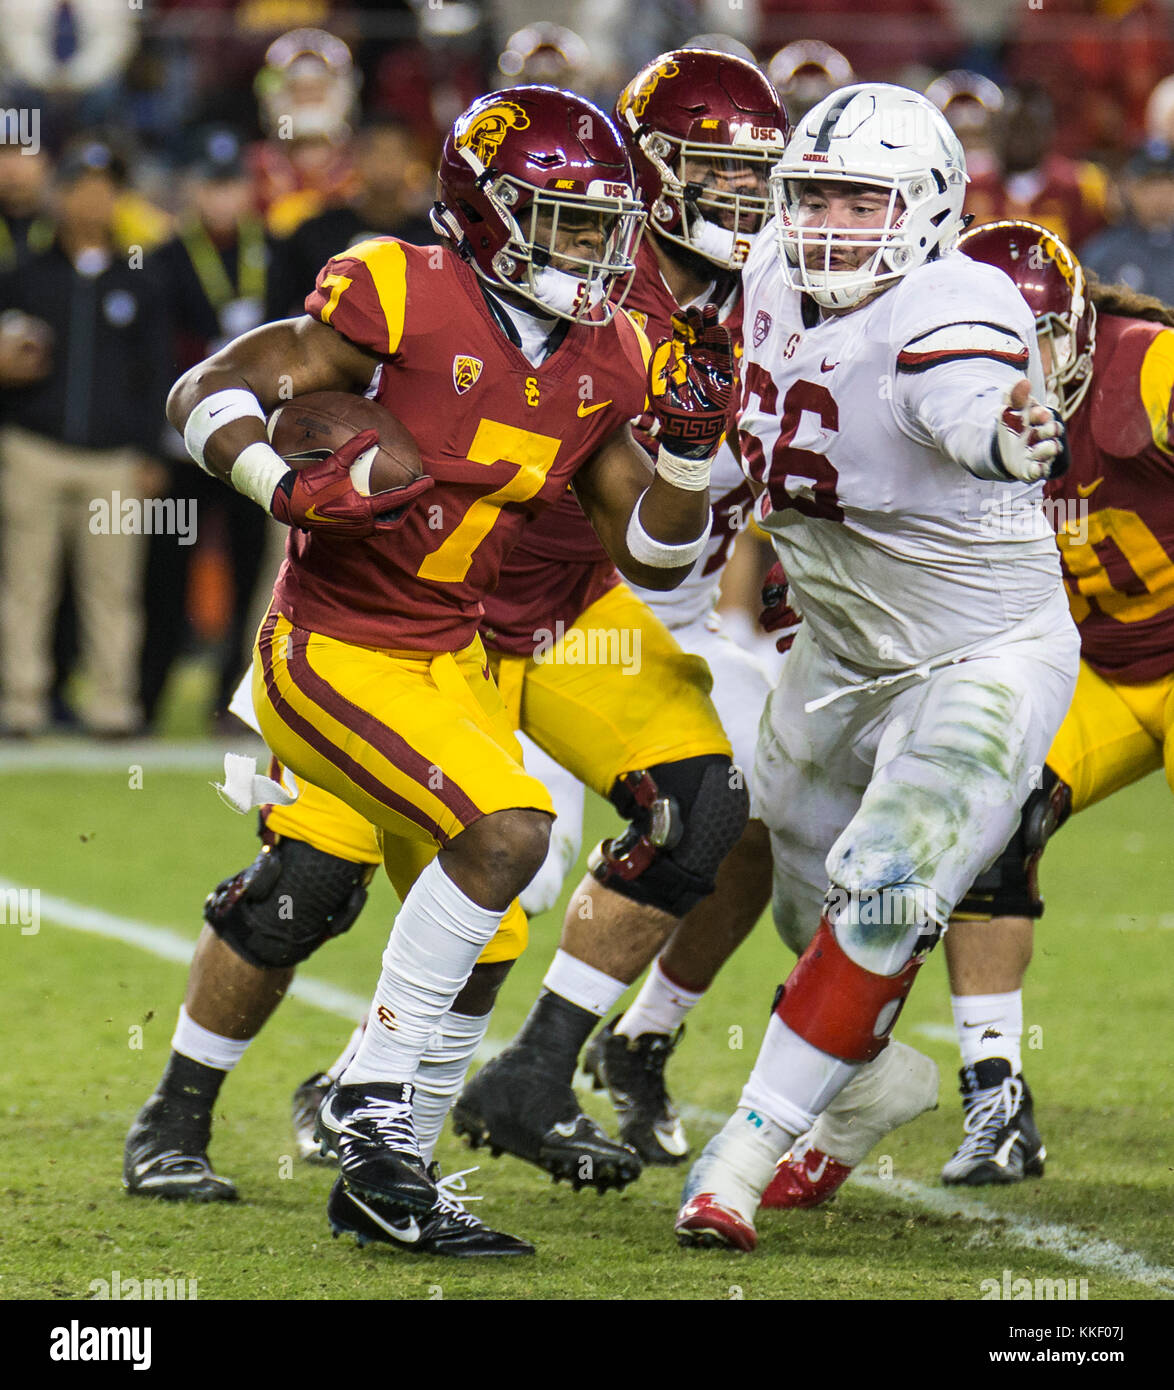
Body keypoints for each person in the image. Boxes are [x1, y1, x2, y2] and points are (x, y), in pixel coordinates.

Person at [129, 85, 740, 1255]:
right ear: (491, 213)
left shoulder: (611, 352)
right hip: (334, 643)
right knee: (437, 850)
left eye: (606, 222)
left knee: (491, 921)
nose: (596, 250)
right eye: (565, 221)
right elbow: (203, 390)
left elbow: (654, 558)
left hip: (455, 653)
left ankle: (387, 1163)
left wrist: (695, 453)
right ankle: (314, 1115)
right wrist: (279, 480)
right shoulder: (399, 286)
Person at [673, 83, 1081, 1253]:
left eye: (864, 200)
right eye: (815, 197)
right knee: (816, 899)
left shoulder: (956, 299)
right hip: (842, 651)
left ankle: (737, 1159)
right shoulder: (761, 280)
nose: (833, 225)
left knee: (889, 887)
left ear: (929, 208)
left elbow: (970, 401)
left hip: (977, 652)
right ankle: (863, 1085)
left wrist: (1010, 429)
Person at [932, 219, 1174, 1186]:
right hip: (1089, 675)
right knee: (988, 827)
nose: (1018, 376)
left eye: (1036, 347)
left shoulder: (1149, 375)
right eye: (992, 354)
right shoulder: (933, 409)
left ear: (1077, 331)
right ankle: (998, 1100)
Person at [0, 137, 171, 737]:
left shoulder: (142, 280)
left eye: (105, 190)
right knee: (25, 586)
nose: (94, 201)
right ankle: (20, 705)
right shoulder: (24, 278)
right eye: (82, 189)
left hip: (113, 459)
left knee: (113, 591)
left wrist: (151, 452)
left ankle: (112, 707)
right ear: (61, 196)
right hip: (34, 448)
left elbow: (159, 377)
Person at [1080, 144, 1174, 305]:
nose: (1159, 197)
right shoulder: (1102, 253)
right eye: (1148, 186)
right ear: (1130, 189)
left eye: (1166, 185)